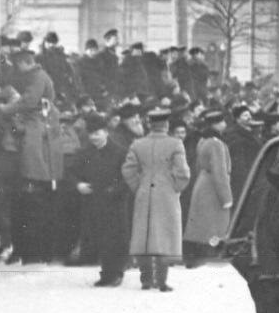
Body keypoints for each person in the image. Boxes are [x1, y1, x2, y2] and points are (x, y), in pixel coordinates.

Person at [0, 48, 65, 263]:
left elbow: (28, 102)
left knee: (30, 140)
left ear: (26, 62)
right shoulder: (34, 75)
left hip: (38, 119)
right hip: (32, 114)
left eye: (18, 64)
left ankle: (34, 173)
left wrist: (3, 109)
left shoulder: (38, 77)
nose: (17, 68)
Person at [121, 108, 190, 291]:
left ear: (150, 125)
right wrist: (176, 188)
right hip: (166, 193)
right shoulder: (175, 144)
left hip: (144, 192)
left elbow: (128, 169)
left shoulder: (137, 144)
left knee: (144, 236)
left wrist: (138, 186)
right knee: (164, 236)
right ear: (166, 125)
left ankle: (145, 279)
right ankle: (161, 281)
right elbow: (183, 173)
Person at [69, 113, 132, 287]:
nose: (94, 137)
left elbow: (128, 177)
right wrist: (79, 184)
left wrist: (115, 190)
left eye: (97, 133)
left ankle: (117, 272)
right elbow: (72, 172)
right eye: (91, 134)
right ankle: (106, 273)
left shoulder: (120, 151)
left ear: (106, 132)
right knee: (101, 237)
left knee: (117, 237)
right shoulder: (85, 152)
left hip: (115, 202)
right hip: (94, 201)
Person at [182, 110, 234, 267]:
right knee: (214, 226)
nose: (225, 124)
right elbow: (220, 172)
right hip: (213, 188)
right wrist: (226, 197)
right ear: (217, 124)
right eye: (222, 121)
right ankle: (209, 257)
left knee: (200, 225)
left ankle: (193, 257)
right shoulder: (216, 144)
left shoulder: (203, 141)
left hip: (203, 184)